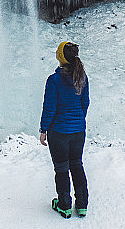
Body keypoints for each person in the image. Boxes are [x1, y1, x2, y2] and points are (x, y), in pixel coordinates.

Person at [39, 41, 90, 219]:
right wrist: (77, 120)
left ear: (60, 57)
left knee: (61, 168)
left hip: (59, 132)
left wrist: (43, 129)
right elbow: (85, 103)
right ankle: (82, 206)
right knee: (77, 165)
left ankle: (64, 206)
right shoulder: (82, 76)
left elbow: (50, 107)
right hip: (78, 132)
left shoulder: (54, 80)